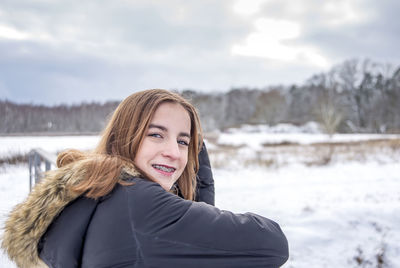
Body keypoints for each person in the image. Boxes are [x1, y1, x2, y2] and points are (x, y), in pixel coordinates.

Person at [1, 89, 288, 268]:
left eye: (184, 141)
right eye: (156, 135)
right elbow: (272, 244)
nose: (174, 153)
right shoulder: (140, 202)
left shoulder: (97, 189)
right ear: (125, 136)